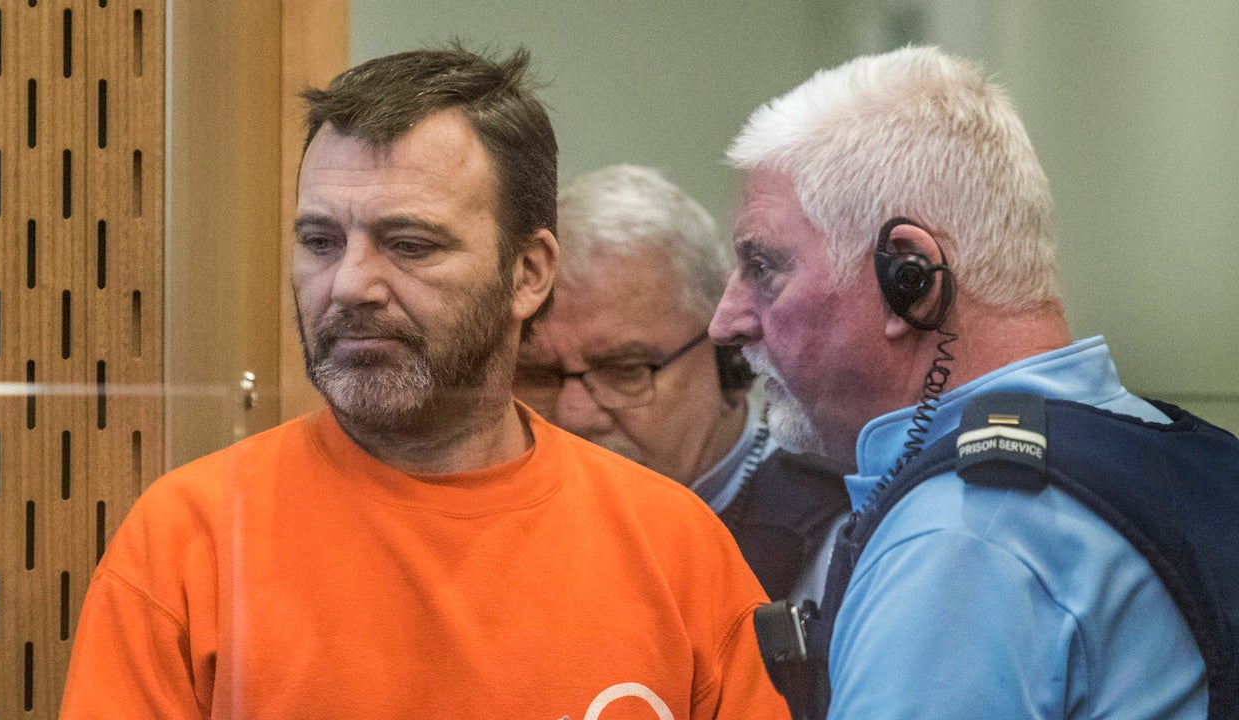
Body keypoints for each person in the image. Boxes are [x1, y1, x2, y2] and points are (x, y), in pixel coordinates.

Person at [60, 46, 791, 719]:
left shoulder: (677, 550)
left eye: (408, 245)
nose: (350, 285)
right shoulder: (187, 544)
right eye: (320, 241)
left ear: (529, 273)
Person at [710, 46, 1212, 718]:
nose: (726, 320)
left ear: (908, 276)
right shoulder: (1159, 452)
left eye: (763, 267)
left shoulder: (960, 543)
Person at [514, 164, 849, 601]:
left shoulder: (836, 543)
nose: (573, 415)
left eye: (625, 370)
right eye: (538, 375)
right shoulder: (497, 526)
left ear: (732, 360)